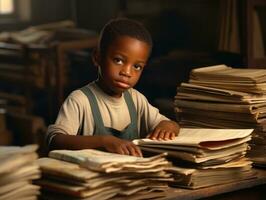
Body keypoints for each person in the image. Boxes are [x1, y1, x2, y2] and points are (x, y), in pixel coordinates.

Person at [46, 18, 180, 157]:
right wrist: (103, 142)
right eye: (118, 60)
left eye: (137, 66)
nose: (127, 72)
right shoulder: (80, 100)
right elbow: (55, 141)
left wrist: (167, 127)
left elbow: (170, 124)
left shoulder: (136, 100)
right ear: (97, 57)